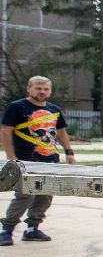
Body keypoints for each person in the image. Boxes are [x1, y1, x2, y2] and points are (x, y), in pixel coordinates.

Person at [1, 75, 75, 245]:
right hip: (25, 160)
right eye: (38, 88)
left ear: (50, 91)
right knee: (24, 196)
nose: (42, 92)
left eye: (45, 89)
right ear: (29, 89)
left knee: (45, 196)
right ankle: (6, 230)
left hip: (50, 160)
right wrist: (11, 158)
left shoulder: (54, 109)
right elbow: (6, 131)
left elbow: (61, 132)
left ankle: (32, 229)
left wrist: (69, 151)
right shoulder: (17, 107)